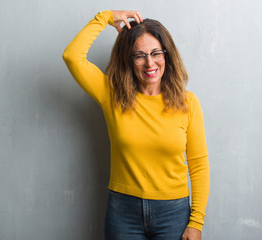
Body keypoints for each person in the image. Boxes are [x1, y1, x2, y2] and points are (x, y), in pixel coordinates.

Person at [62, 10, 210, 240]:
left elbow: (198, 165)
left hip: (174, 213)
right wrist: (107, 17)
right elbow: (72, 56)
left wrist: (196, 221)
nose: (149, 63)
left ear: (167, 55)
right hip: (123, 211)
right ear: (128, 60)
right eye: (139, 55)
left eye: (155, 53)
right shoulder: (112, 96)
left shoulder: (188, 103)